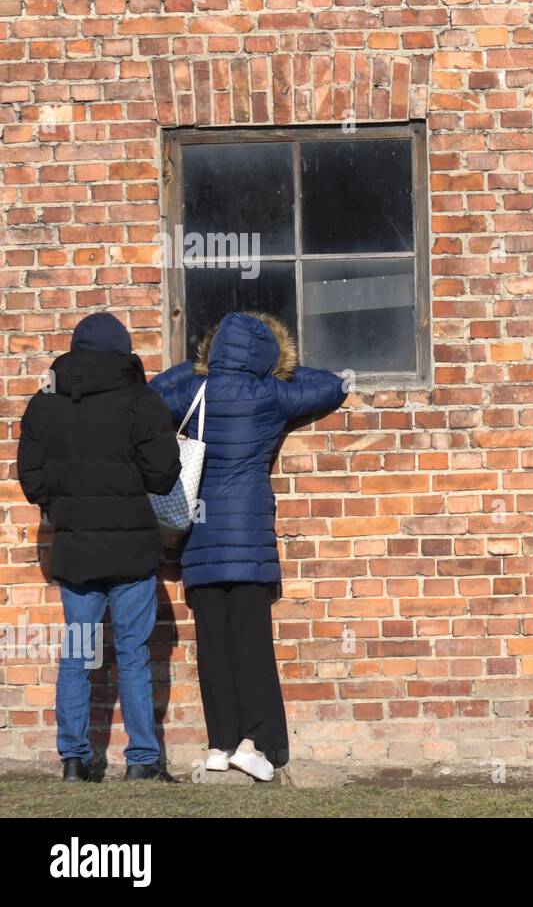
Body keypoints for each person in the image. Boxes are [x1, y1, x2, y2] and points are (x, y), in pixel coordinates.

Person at [150, 312, 347, 781]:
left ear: (214, 350)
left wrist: (201, 369)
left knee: (213, 646)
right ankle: (256, 743)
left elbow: (152, 392)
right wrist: (273, 370)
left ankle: (219, 743)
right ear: (268, 356)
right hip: (250, 542)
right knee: (253, 645)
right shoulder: (272, 394)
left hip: (199, 540)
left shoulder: (192, 393)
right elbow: (333, 385)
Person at [17, 312, 182, 782]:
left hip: (76, 553)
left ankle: (73, 759)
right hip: (131, 552)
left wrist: (62, 506)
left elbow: (30, 477)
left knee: (77, 655)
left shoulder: (45, 403)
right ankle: (143, 762)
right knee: (133, 654)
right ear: (123, 352)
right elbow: (164, 474)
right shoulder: (140, 401)